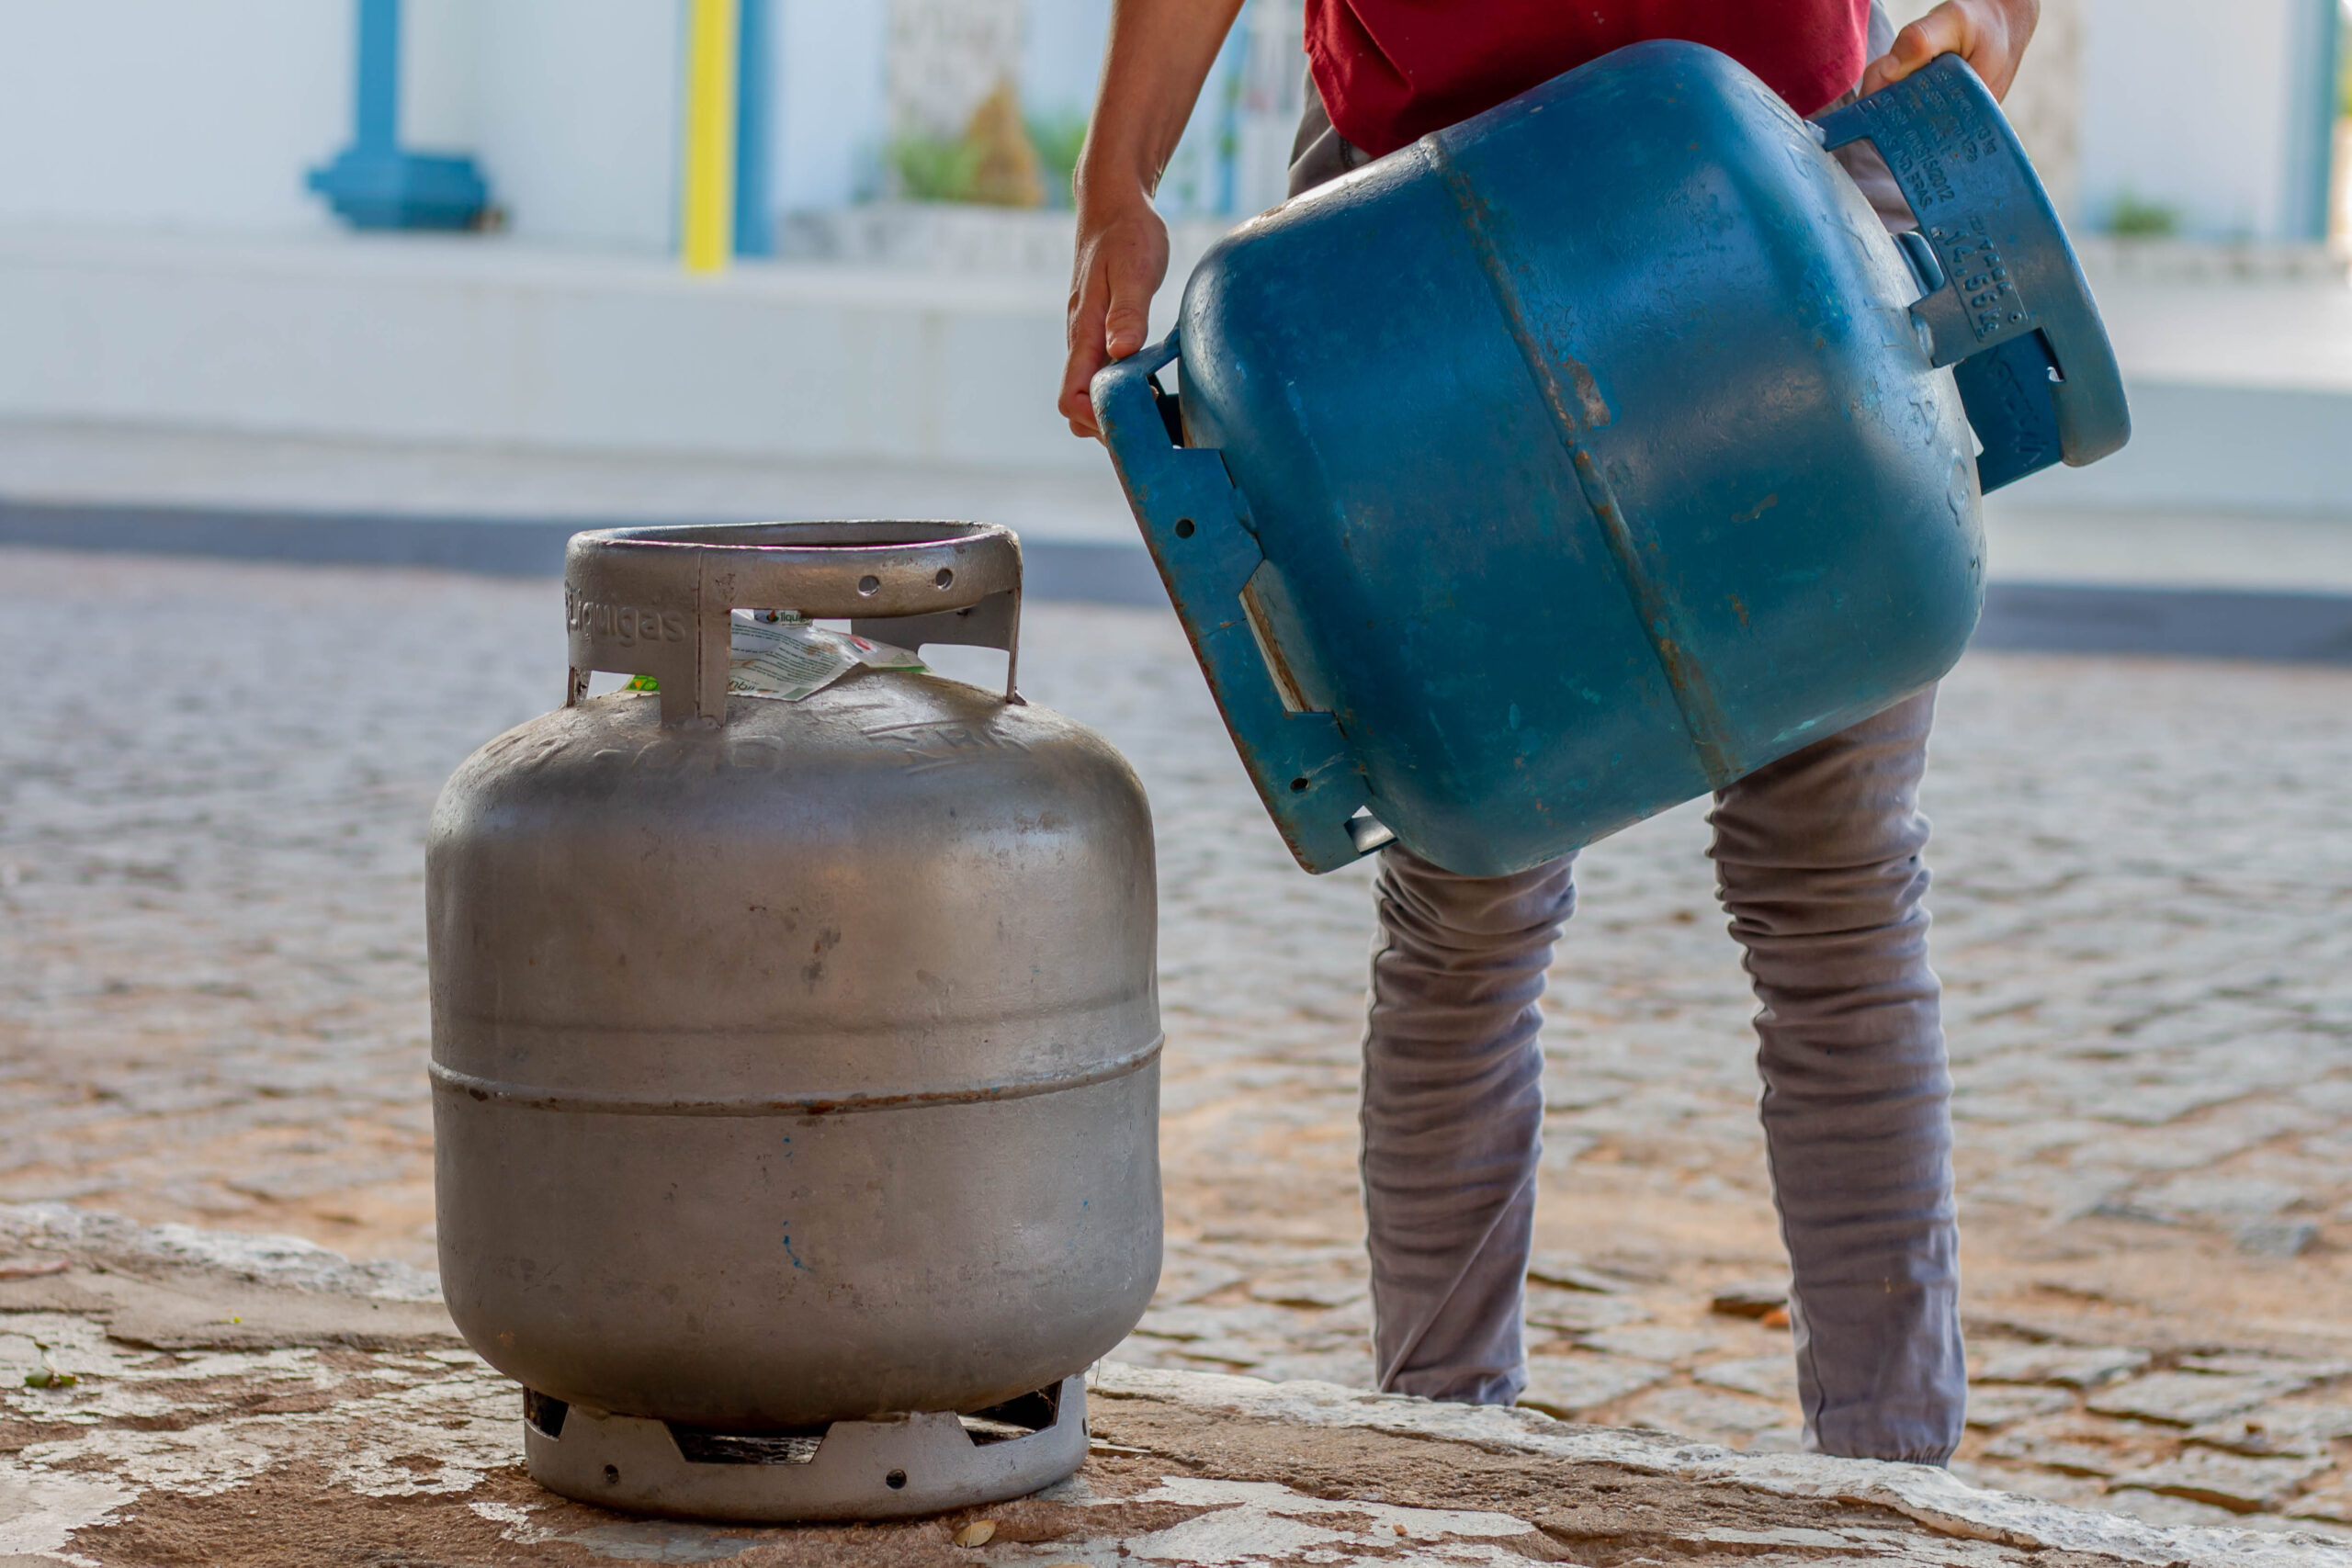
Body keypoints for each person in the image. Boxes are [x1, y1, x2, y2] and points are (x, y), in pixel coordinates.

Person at [1057, 0, 2041, 1464]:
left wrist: (1994, 24)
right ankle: (1446, 1456)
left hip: (1776, 191)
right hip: (1421, 249)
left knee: (1835, 890)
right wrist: (1116, 185)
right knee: (1471, 894)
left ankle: (1895, 1484)